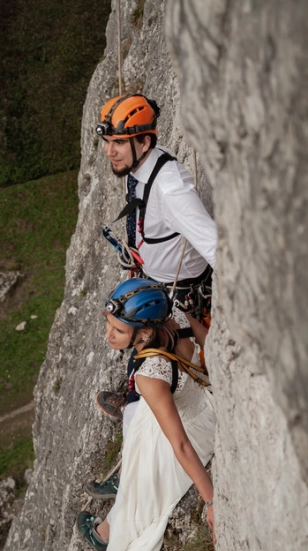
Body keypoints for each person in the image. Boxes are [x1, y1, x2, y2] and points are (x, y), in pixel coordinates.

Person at [76, 279, 216, 551]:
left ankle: (105, 534)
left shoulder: (149, 372)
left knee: (142, 466)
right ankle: (110, 520)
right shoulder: (177, 315)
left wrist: (211, 500)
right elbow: (211, 343)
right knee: (138, 427)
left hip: (194, 427)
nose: (108, 336)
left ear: (144, 334)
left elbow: (180, 444)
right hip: (205, 400)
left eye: (118, 330)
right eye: (110, 326)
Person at [93, 93, 217, 430]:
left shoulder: (170, 189)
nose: (109, 151)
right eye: (107, 141)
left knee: (150, 360)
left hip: (180, 293)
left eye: (118, 142)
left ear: (145, 140)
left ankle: (140, 420)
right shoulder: (142, 166)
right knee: (135, 342)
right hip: (155, 279)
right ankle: (136, 402)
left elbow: (214, 245)